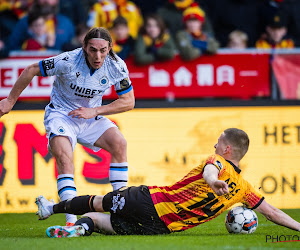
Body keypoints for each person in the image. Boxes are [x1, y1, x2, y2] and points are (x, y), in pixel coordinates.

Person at [35, 128, 300, 237]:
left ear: (227, 149)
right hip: (162, 228)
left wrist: (212, 181)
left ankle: (51, 209)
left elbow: (210, 172)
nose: (215, 144)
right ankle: (77, 230)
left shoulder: (216, 162)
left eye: (219, 141)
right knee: (97, 220)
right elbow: (273, 213)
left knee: (99, 202)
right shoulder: (244, 189)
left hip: (152, 200)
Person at [0, 27, 135, 226]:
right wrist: (10, 101)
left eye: (103, 50)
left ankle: (119, 210)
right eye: (93, 50)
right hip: (61, 115)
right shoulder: (68, 61)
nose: (98, 56)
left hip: (89, 116)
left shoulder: (117, 66)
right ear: (84, 47)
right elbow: (31, 70)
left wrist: (94, 111)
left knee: (119, 143)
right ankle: (71, 223)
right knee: (65, 159)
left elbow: (128, 102)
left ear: (110, 48)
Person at [8, 0, 74, 51]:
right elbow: (12, 47)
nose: (46, 1)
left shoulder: (66, 23)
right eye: (36, 25)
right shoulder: (24, 21)